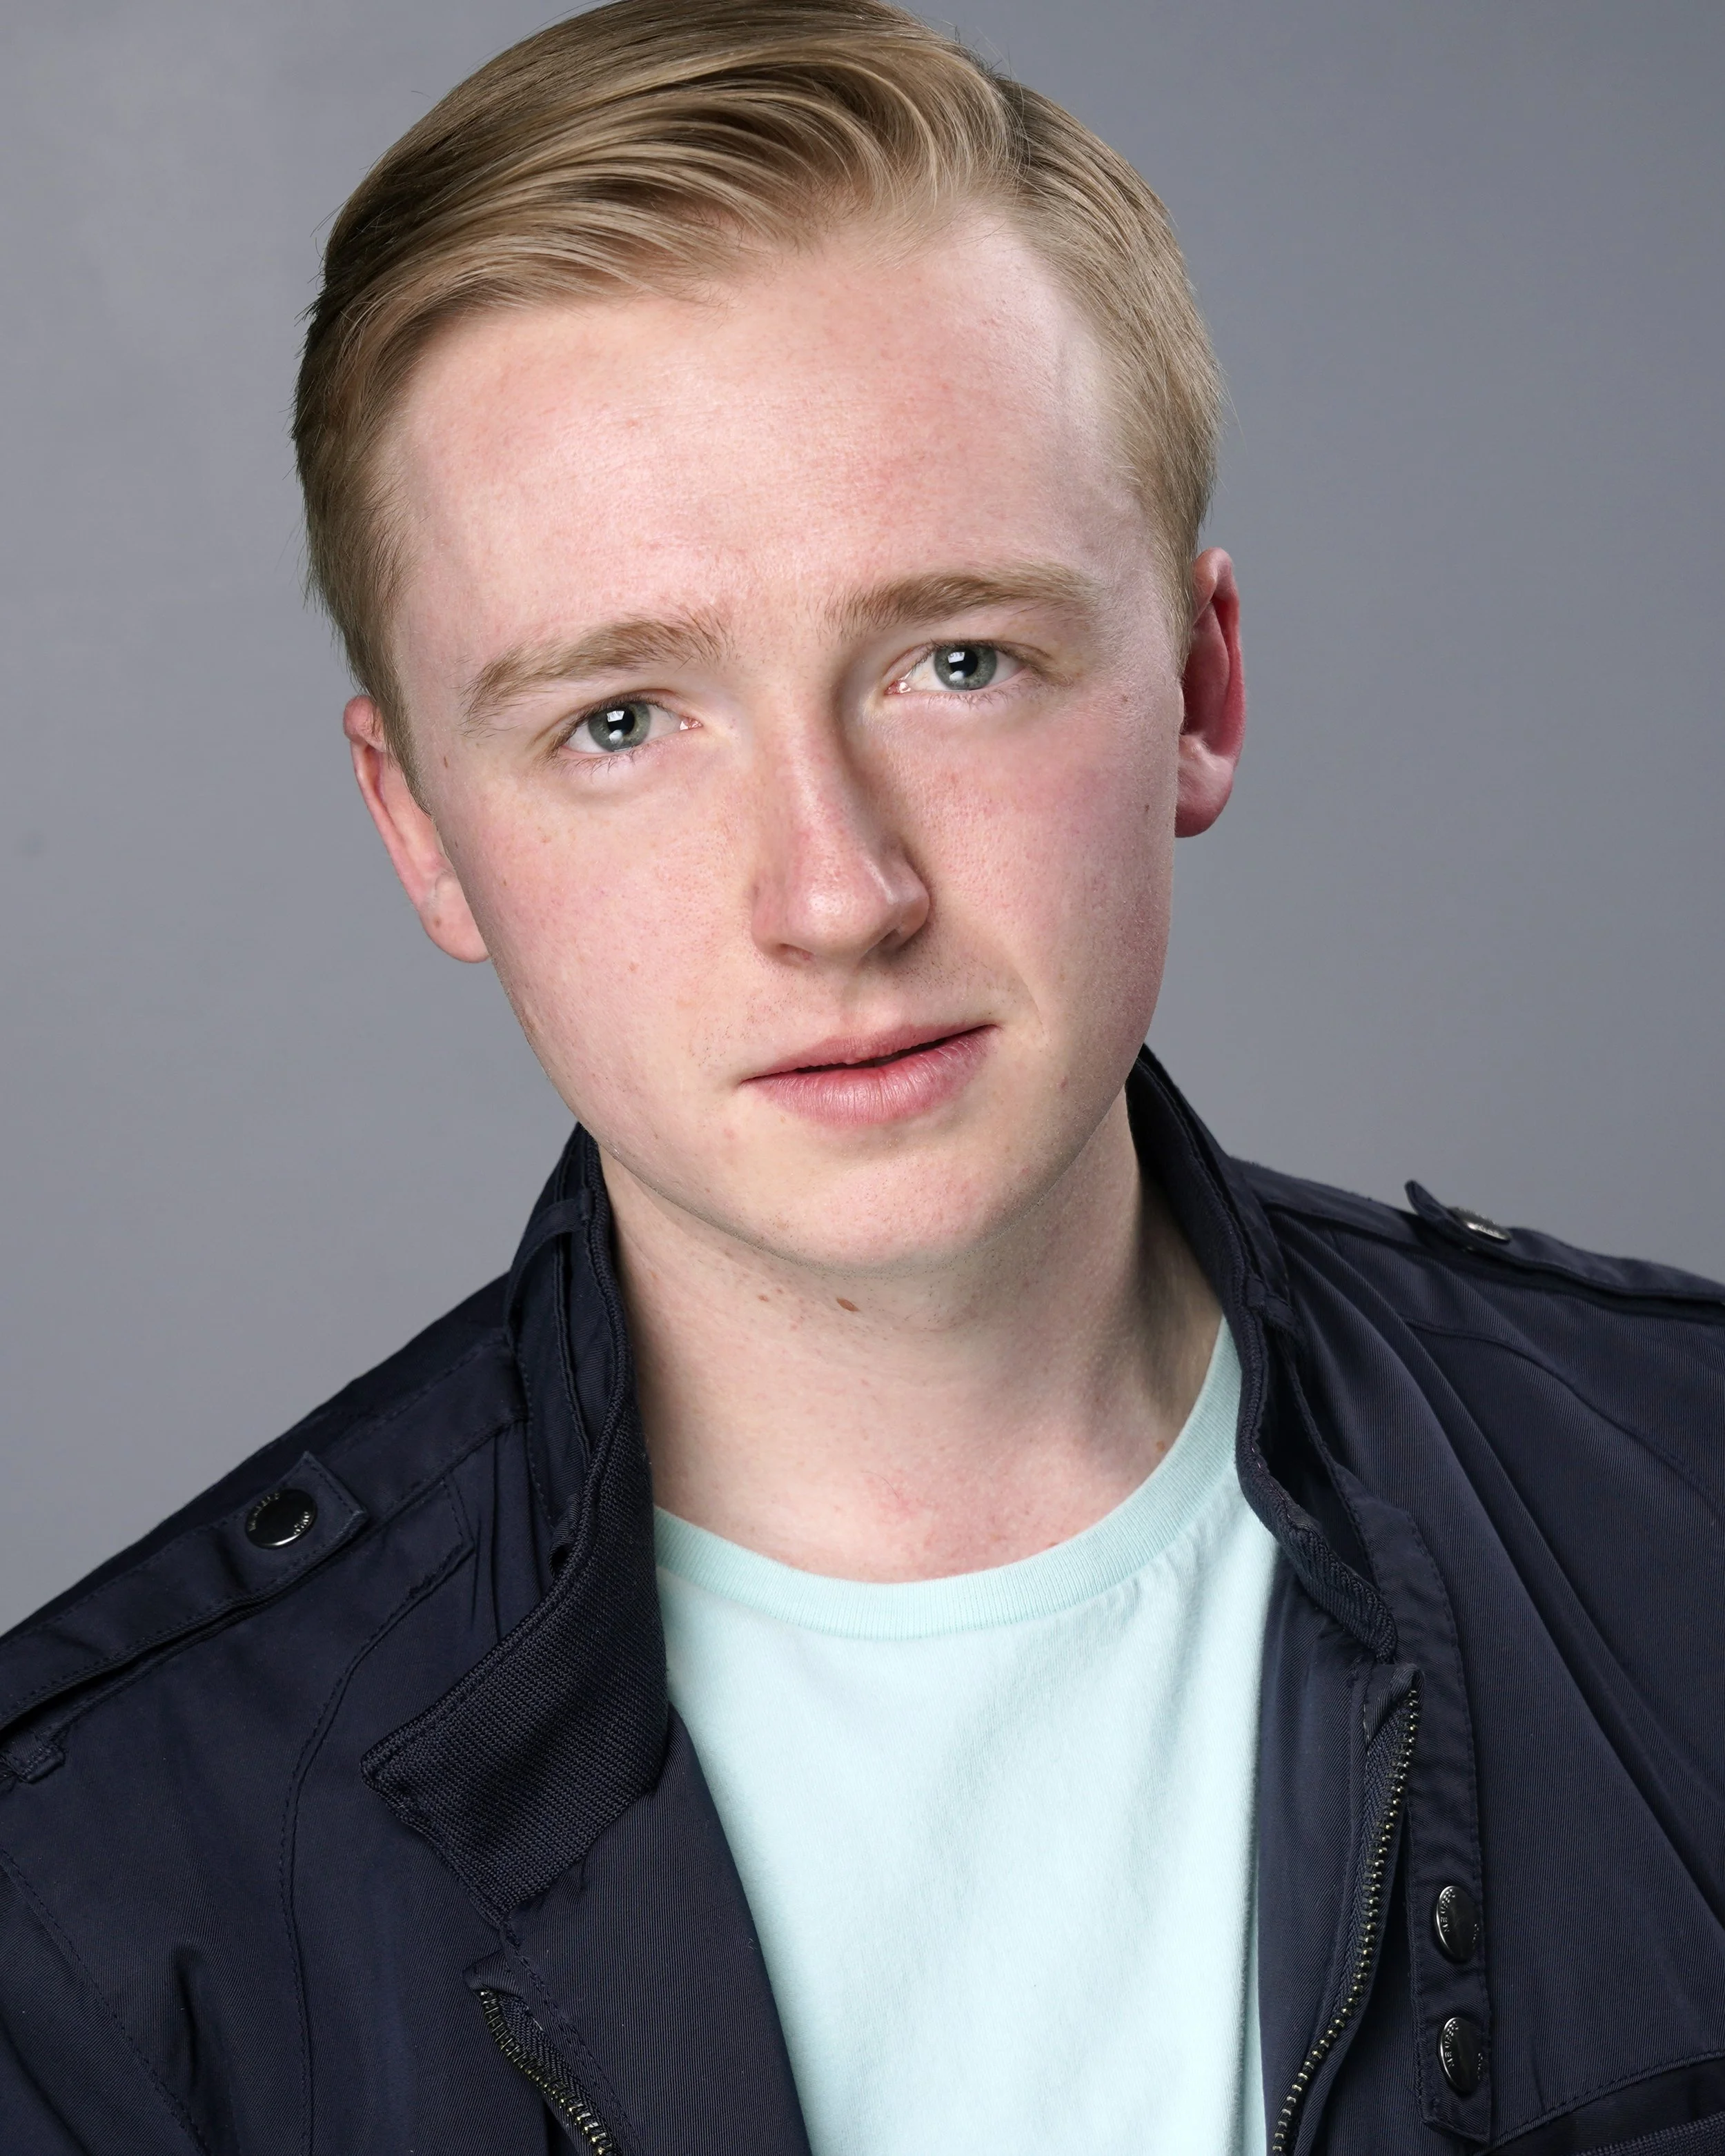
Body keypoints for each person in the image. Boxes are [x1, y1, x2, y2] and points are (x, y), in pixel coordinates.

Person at [2, 1, 1722, 2149]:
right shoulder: (84, 1897)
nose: (835, 895)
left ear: (1194, 689)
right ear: (421, 821)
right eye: (620, 719)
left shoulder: (1692, 1519)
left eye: (956, 661)